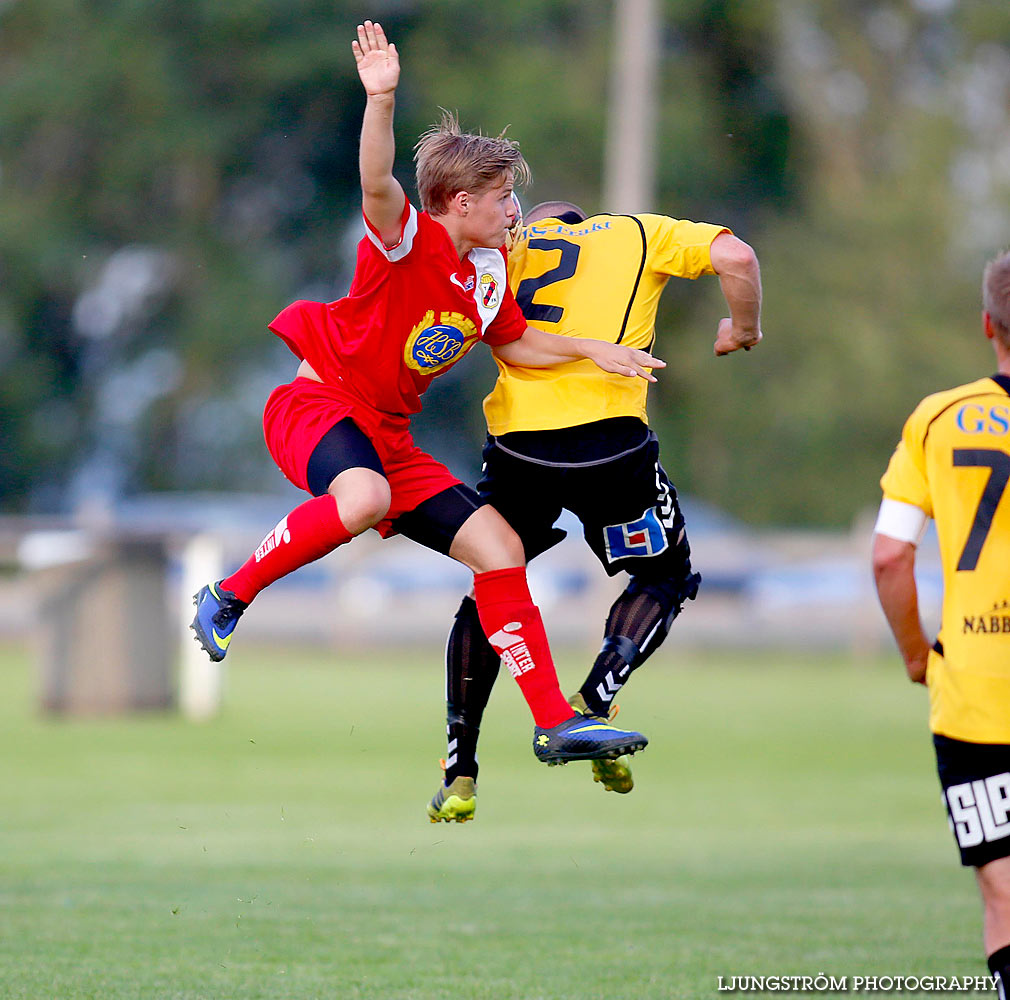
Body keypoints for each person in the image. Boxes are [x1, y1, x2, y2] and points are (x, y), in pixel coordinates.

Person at [190, 21, 660, 770]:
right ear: (458, 202)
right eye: (503, 198)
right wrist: (381, 101)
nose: (516, 212)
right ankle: (229, 595)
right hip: (318, 410)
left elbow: (516, 344)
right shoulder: (407, 240)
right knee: (364, 498)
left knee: (500, 548)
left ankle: (553, 723)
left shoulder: (488, 275)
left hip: (388, 437)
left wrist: (588, 349)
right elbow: (377, 181)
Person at [427, 198, 762, 823]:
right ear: (585, 223)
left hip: (519, 449)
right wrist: (742, 329)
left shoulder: (499, 245)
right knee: (665, 575)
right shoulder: (639, 233)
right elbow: (737, 257)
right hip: (610, 447)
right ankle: (594, 700)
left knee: (492, 588)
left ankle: (460, 769)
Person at [872, 249, 1010, 989]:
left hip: (978, 687)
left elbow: (891, 558)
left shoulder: (941, 417)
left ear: (988, 324)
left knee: (1004, 895)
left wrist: (917, 655)